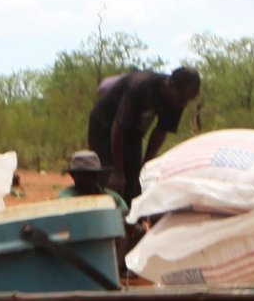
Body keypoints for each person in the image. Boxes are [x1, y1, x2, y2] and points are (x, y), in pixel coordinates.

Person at [84, 67, 201, 201]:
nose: (184, 104)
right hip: (104, 127)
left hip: (133, 131)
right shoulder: (141, 86)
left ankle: (129, 217)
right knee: (110, 179)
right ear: (170, 85)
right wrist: (117, 171)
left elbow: (160, 132)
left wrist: (145, 169)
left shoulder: (177, 101)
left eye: (188, 100)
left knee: (135, 181)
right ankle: (108, 213)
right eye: (182, 98)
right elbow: (119, 127)